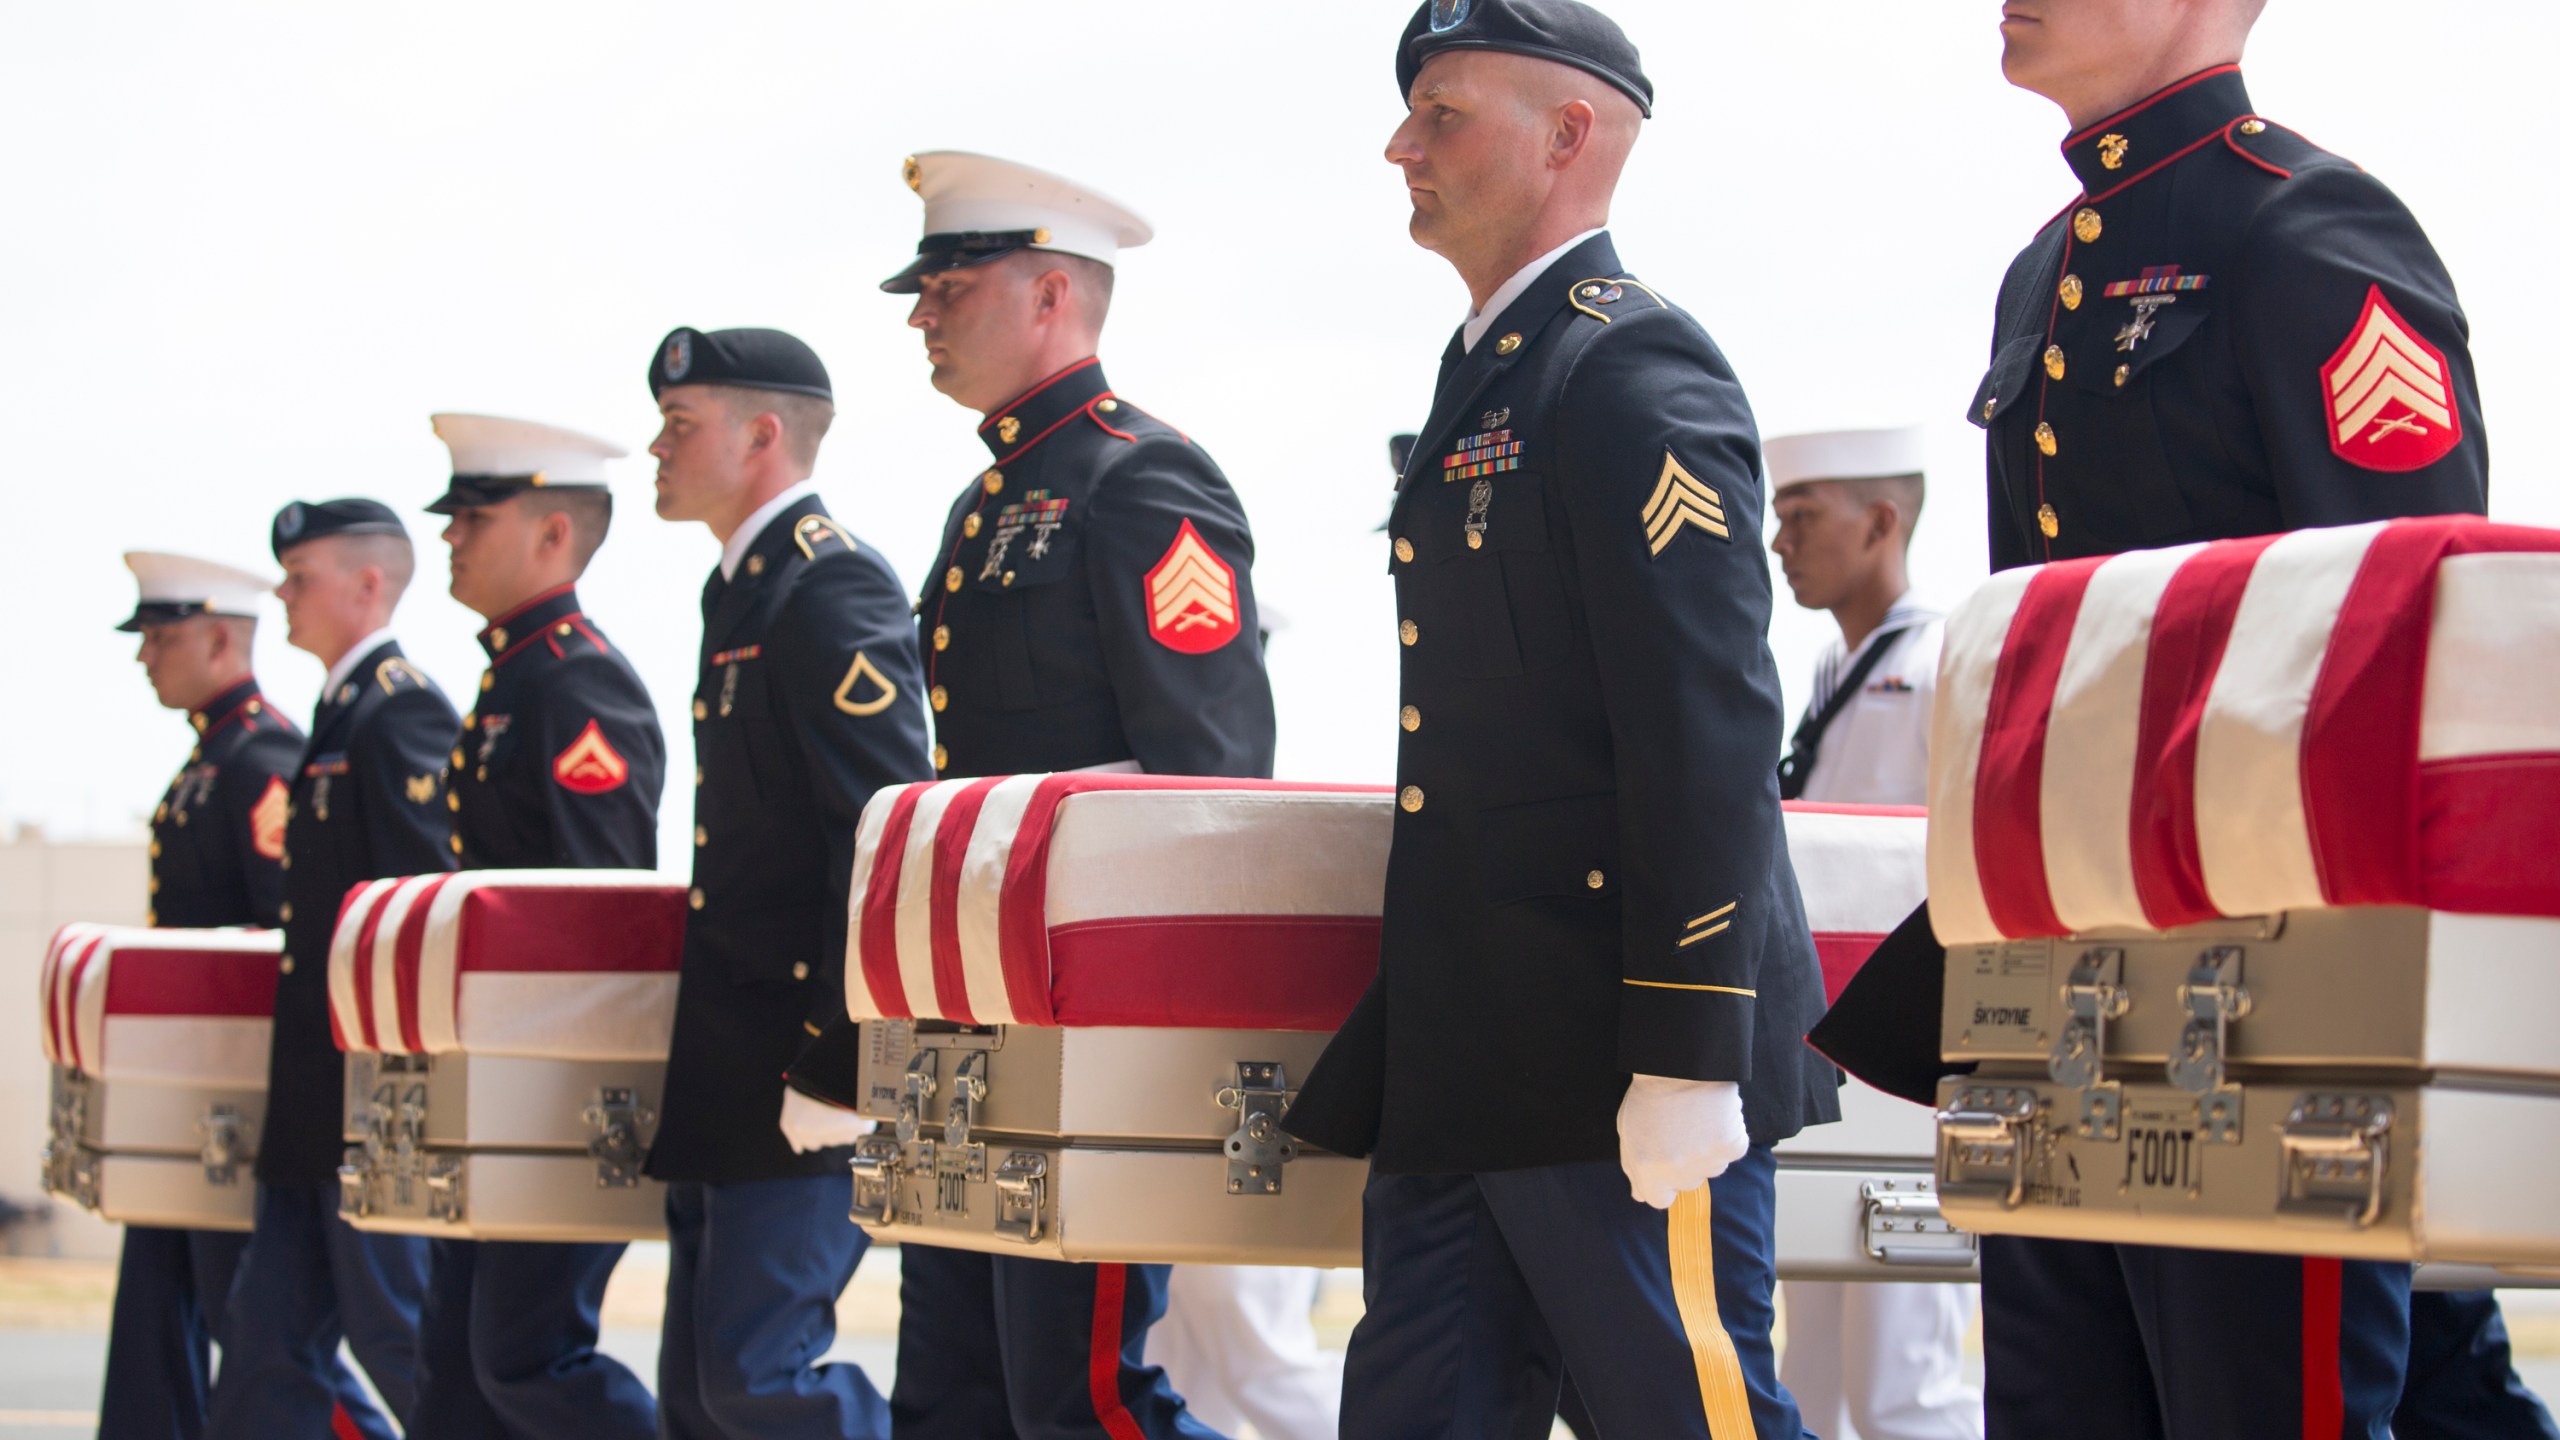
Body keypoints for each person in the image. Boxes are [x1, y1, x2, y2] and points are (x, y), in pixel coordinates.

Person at [1820, 4, 2516, 1436]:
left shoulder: (2308, 235)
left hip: (2260, 994)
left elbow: (2409, 632)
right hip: (2054, 982)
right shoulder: (2048, 274)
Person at [1282, 4, 1834, 1435]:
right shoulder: (1497, 369)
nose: (1401, 144)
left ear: (1569, 135)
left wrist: (1695, 1044)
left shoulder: (1627, 370)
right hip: (1472, 1045)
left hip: (1614, 1045)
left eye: (1443, 114)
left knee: (1685, 1413)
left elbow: (1704, 722)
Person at [858, 148, 1282, 1440]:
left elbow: (1208, 777)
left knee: (1082, 1403)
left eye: (952, 284)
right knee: (949, 1401)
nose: (923, 314)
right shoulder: (985, 505)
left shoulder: (1138, 480)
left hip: (1087, 1026)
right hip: (972, 1015)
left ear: (1051, 295)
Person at [643, 325, 934, 1440]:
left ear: (763, 433)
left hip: (801, 1073)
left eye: (681, 425)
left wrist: (844, 1059)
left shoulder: (828, 585)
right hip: (725, 1063)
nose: (656, 450)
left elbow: (878, 836)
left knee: (757, 1384)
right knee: (700, 1406)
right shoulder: (743, 592)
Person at [405, 414, 664, 1440]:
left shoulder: (574, 682)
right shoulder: (515, 677)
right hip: (499, 1089)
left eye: (475, 516)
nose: (450, 539)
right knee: (457, 1378)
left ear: (554, 533)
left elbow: (595, 912)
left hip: (555, 1097)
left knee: (524, 1357)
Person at [102, 553, 384, 1440]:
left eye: (163, 636)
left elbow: (280, 933)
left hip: (242, 1095)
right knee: (174, 1314)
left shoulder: (259, 756)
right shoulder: (212, 758)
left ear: (223, 638)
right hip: (190, 1093)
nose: (146, 655)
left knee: (260, 1327)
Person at [204, 500, 455, 1438]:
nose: (282, 595)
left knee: (398, 1336)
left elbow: (420, 904)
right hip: (314, 1093)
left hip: (366, 1095)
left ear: (368, 584)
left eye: (299, 578)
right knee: (264, 1345)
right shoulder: (342, 711)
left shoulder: (401, 708)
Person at [1765, 427, 1982, 1440]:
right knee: (1809, 1363)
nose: (1779, 542)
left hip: (1903, 1046)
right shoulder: (1829, 673)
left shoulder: (1944, 658)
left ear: (1882, 521)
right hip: (1827, 1042)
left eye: (1803, 517)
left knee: (1905, 1373)